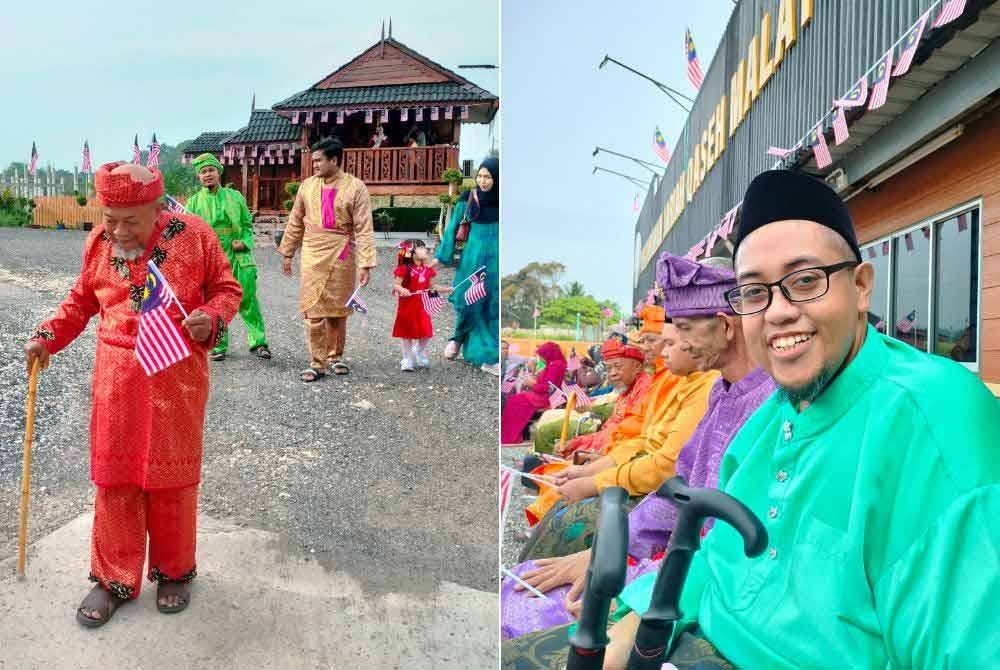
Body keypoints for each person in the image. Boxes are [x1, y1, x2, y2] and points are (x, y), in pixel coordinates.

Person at [606, 169, 1000, 669]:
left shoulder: (933, 423)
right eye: (754, 291)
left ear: (860, 288)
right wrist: (639, 618)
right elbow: (714, 556)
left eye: (805, 280)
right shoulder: (771, 418)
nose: (778, 312)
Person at [500, 255, 775, 645]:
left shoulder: (769, 404)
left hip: (706, 586)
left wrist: (632, 583)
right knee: (525, 581)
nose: (667, 346)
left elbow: (729, 545)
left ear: (727, 326)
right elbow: (678, 488)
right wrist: (610, 549)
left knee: (529, 611)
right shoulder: (721, 391)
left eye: (681, 331)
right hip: (677, 559)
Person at [23, 162, 242, 627]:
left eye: (130, 221)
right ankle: (112, 579)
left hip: (176, 375)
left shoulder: (195, 235)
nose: (118, 231)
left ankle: (174, 571)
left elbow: (227, 288)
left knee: (172, 480)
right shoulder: (98, 243)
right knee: (115, 479)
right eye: (109, 218)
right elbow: (81, 300)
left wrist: (210, 315)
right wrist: (47, 337)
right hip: (117, 379)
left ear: (158, 207)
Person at [518, 321, 717, 561]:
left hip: (671, 493)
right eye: (646, 341)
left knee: (576, 517)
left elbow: (667, 464)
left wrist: (596, 480)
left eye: (667, 343)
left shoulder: (704, 385)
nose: (653, 350)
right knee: (561, 493)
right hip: (636, 469)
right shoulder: (673, 380)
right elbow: (641, 440)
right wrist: (591, 469)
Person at [522, 336, 651, 524]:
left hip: (626, 463)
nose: (612, 373)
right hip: (611, 454)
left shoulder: (646, 390)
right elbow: (610, 430)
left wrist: (592, 454)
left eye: (618, 367)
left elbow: (630, 438)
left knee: (561, 474)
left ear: (637, 367)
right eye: (609, 368)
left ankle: (547, 524)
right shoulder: (627, 391)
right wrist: (577, 444)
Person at [279, 136, 376, 382]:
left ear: (334, 160)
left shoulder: (356, 187)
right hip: (312, 252)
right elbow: (295, 220)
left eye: (319, 161)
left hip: (343, 252)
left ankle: (336, 357)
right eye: (313, 161)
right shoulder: (306, 186)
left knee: (338, 310)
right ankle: (317, 362)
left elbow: (364, 227)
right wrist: (288, 252)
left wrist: (365, 263)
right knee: (314, 308)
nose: (315, 166)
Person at [184, 153, 270, 361]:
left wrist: (245, 242)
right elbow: (187, 233)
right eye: (203, 172)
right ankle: (218, 345)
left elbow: (248, 226)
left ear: (218, 172)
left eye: (211, 170)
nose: (207, 175)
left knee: (247, 299)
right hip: (210, 259)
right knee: (215, 302)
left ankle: (258, 342)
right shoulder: (193, 203)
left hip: (237, 255)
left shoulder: (235, 197)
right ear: (199, 177)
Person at [436, 157, 500, 374]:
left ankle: (486, 354)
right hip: (471, 260)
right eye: (480, 176)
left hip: (495, 263)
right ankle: (458, 337)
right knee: (467, 300)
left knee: (490, 306)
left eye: (488, 177)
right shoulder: (468, 198)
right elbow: (453, 228)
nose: (483, 181)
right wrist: (441, 256)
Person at [391, 239, 451, 371]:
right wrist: (402, 290)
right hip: (407, 306)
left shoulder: (427, 270)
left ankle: (418, 350)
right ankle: (407, 358)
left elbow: (432, 286)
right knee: (406, 333)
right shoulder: (404, 269)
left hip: (423, 305)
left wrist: (446, 289)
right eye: (422, 248)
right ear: (411, 252)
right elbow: (396, 284)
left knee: (426, 332)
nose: (426, 250)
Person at [501, 342, 567, 445]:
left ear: (547, 354)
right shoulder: (556, 364)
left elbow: (547, 387)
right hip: (544, 396)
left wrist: (531, 384)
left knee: (514, 401)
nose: (540, 358)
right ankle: (511, 435)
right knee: (514, 400)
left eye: (541, 356)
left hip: (543, 398)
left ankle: (510, 436)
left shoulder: (555, 366)